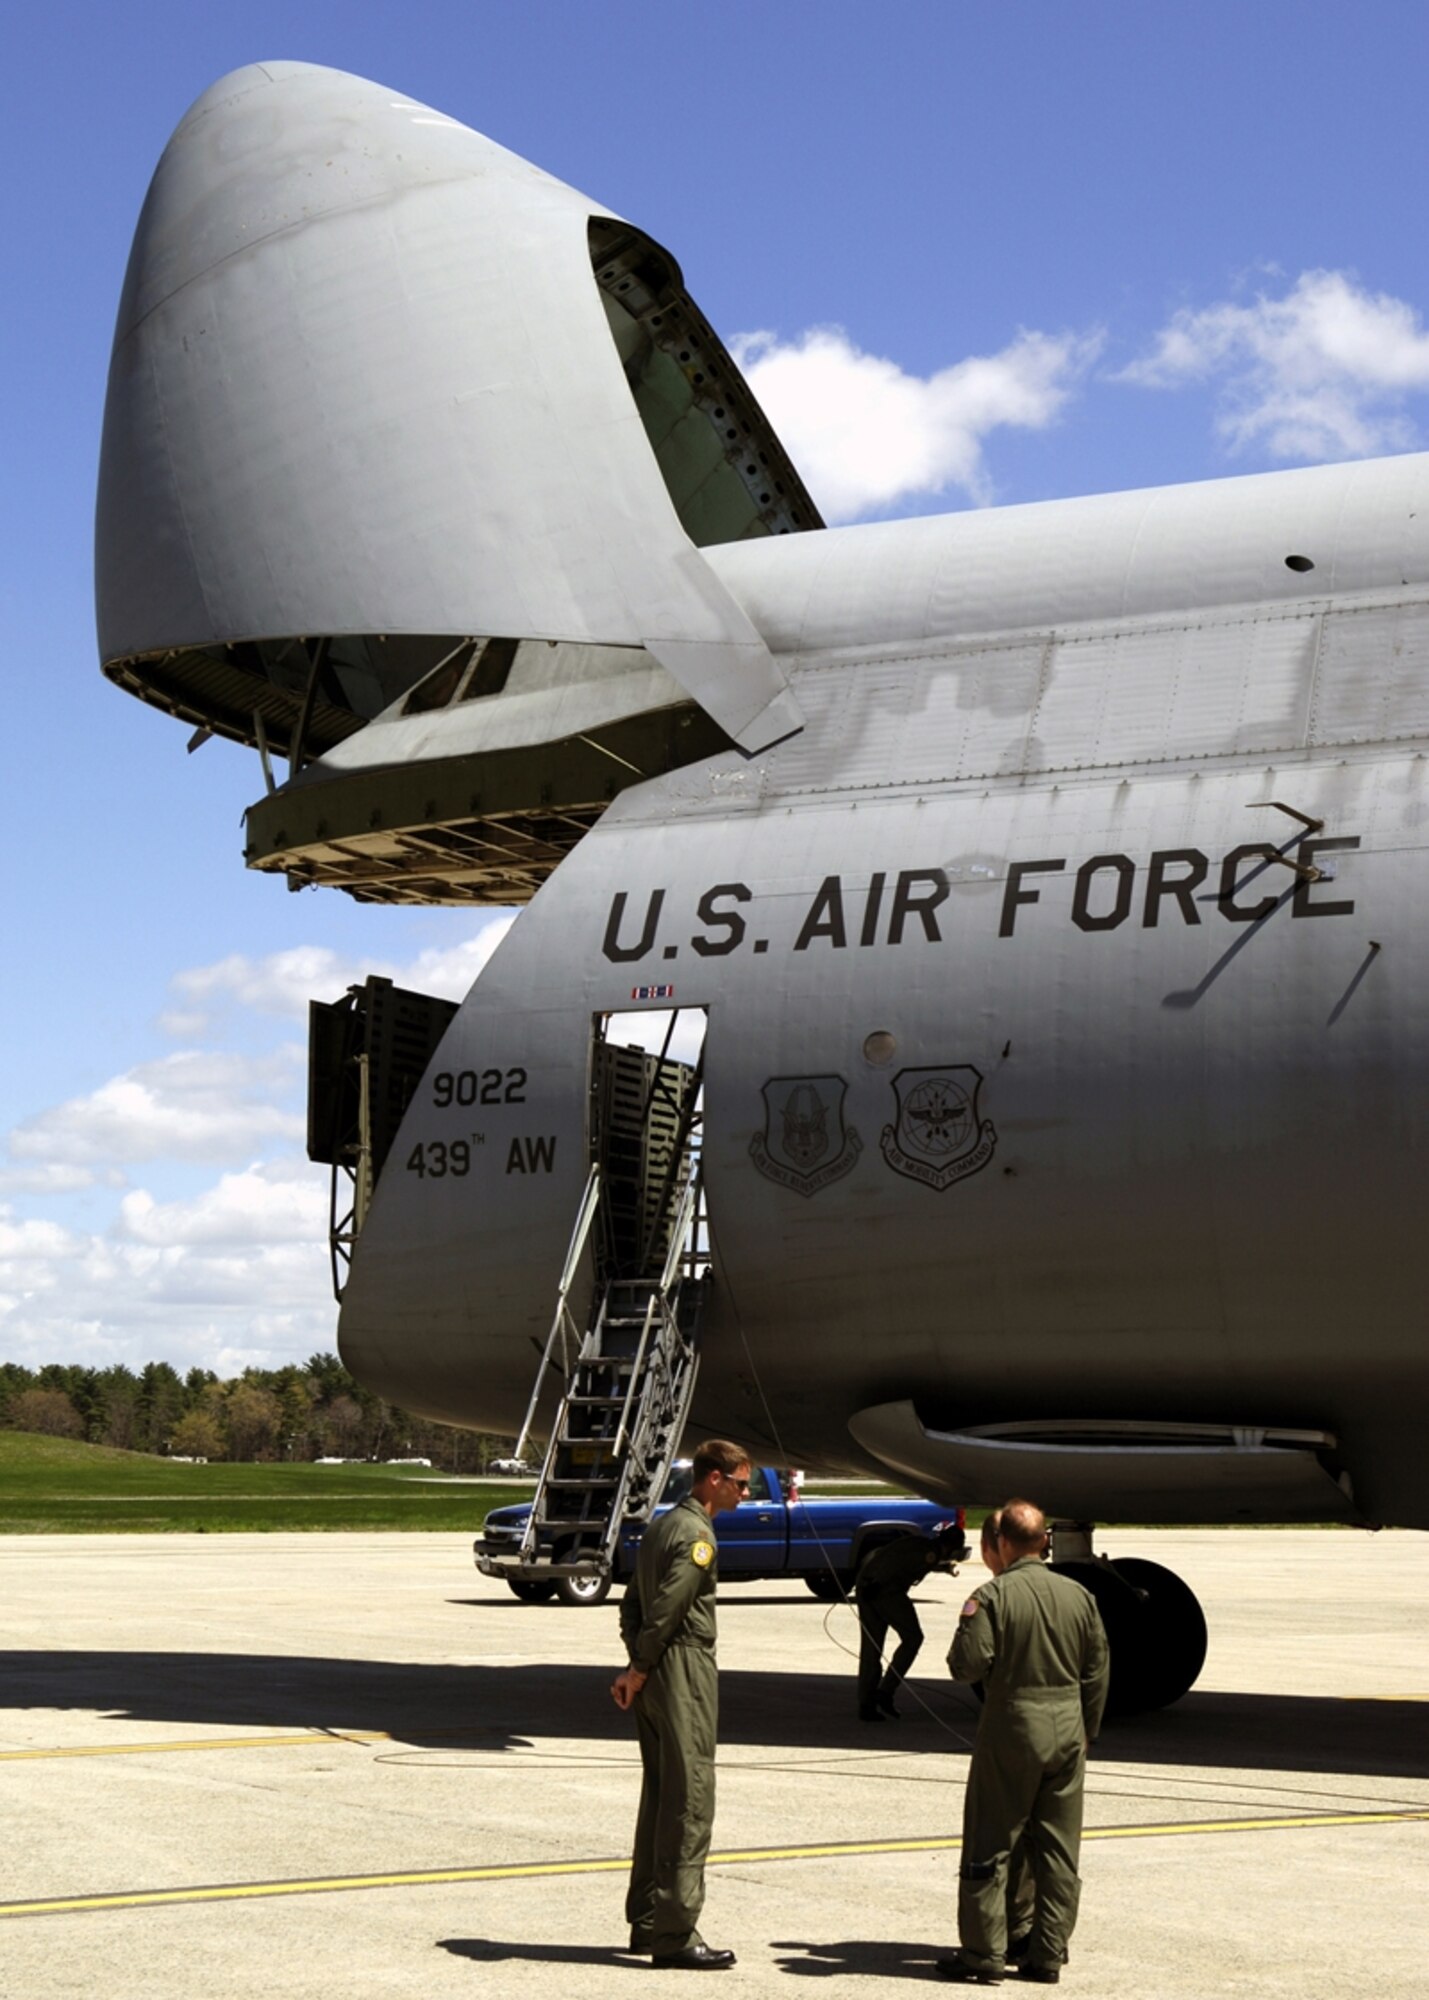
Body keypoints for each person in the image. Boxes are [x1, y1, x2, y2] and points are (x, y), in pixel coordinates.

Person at [940, 1499, 1109, 1987]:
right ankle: (1047, 1953)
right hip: (1068, 1731)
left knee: (991, 1843)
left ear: (1005, 1544)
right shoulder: (1080, 1596)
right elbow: (1097, 1671)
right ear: (1045, 1542)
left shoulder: (992, 1596)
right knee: (1057, 1850)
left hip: (1012, 1730)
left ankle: (984, 1952)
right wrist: (1087, 1730)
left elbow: (966, 1665)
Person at [611, 1438, 750, 1970]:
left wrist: (636, 1666)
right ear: (713, 1479)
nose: (743, 1492)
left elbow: (632, 1607)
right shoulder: (697, 1534)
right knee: (690, 1801)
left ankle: (647, 1921)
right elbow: (666, 1608)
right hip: (682, 1668)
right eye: (739, 1483)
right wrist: (641, 1667)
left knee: (660, 1798)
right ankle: (675, 1933)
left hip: (654, 1672)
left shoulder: (663, 1526)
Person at [854, 1526, 964, 1721]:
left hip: (867, 1586)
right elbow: (896, 1565)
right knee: (913, 1638)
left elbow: (894, 1558)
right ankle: (886, 1691)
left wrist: (944, 1568)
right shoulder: (930, 1552)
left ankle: (867, 1703)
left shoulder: (923, 1546)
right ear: (951, 1547)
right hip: (884, 1590)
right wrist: (878, 1584)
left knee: (871, 1647)